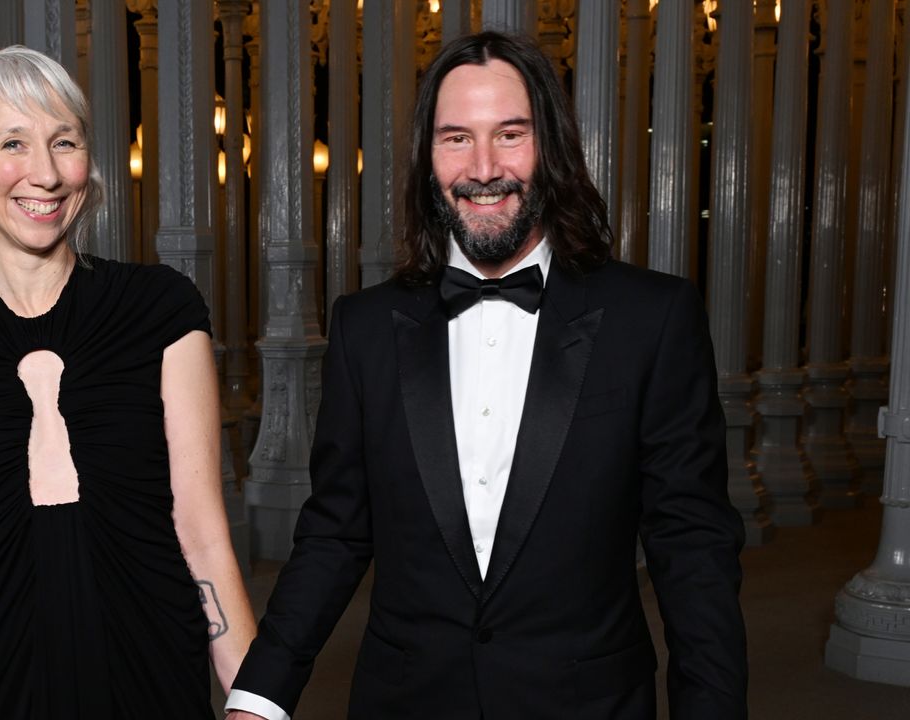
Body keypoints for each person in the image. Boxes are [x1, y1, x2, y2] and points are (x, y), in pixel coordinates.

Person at [227, 31, 747, 720]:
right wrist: (258, 696)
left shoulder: (651, 319)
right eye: (455, 138)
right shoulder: (364, 328)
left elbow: (692, 549)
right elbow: (334, 533)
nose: (482, 167)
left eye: (509, 135)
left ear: (552, 147)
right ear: (427, 157)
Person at [0, 46, 255, 719]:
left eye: (63, 142)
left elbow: (202, 534)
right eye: (13, 143)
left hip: (147, 674)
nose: (44, 174)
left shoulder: (162, 311)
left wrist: (256, 702)